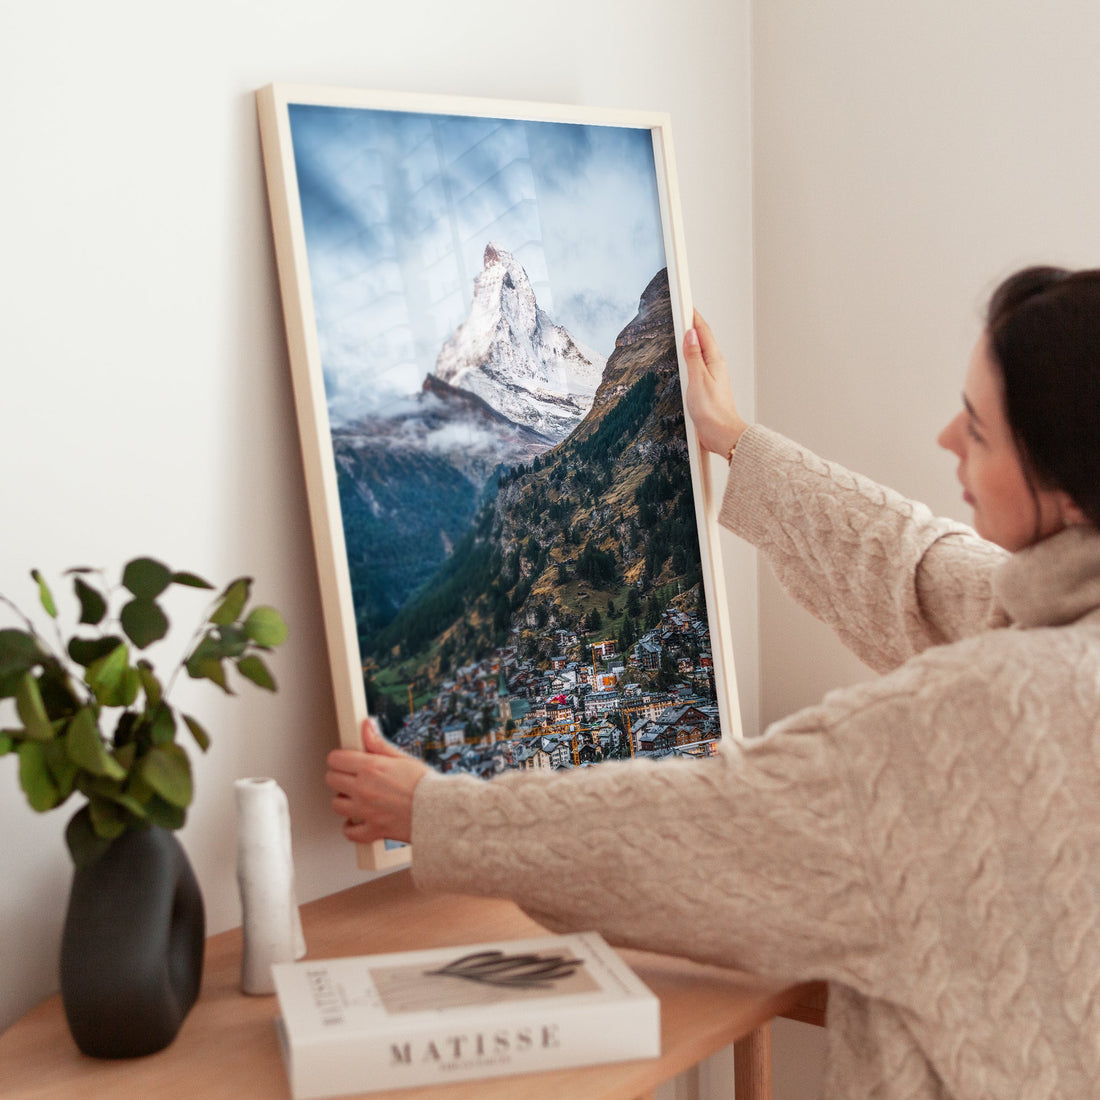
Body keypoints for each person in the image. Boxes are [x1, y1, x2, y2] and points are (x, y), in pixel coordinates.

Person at [326, 266, 1100, 1099]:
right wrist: (735, 440)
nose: (948, 437)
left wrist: (434, 813)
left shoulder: (980, 716)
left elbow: (709, 825)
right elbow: (919, 569)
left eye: (980, 432)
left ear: (1064, 488)